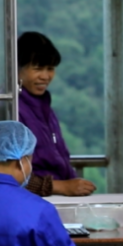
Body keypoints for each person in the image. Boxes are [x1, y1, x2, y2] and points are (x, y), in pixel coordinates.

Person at [17, 31, 96, 198]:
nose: (45, 76)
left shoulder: (44, 107)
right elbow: (9, 175)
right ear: (16, 69)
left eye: (50, 69)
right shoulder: (11, 109)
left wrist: (74, 185)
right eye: (37, 69)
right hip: (30, 201)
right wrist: (61, 187)